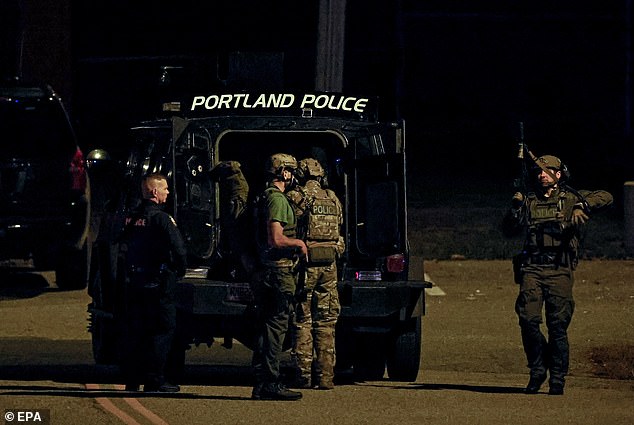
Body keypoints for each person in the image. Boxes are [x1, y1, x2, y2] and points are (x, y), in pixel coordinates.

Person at [502, 154, 613, 395]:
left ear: (558, 174)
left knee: (557, 325)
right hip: (532, 267)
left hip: (559, 269)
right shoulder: (529, 200)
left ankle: (558, 378)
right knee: (528, 319)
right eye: (539, 171)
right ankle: (538, 369)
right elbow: (508, 231)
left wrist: (583, 206)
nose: (541, 174)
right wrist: (515, 208)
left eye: (547, 170)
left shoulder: (570, 197)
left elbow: (606, 196)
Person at [119, 173, 187, 392]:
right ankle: (155, 379)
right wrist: (179, 270)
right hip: (159, 283)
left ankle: (132, 379)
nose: (168, 192)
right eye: (165, 188)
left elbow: (120, 245)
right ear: (154, 192)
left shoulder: (131, 217)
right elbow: (178, 249)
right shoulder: (162, 219)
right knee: (162, 329)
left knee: (136, 330)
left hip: (135, 281)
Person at [250, 153, 307, 401]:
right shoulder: (277, 200)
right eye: (291, 171)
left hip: (266, 271)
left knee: (267, 327)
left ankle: (262, 381)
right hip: (279, 271)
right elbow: (276, 238)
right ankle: (270, 382)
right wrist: (299, 244)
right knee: (276, 328)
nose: (293, 176)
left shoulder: (263, 196)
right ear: (283, 173)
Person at [286, 158, 344, 390]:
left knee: (302, 320)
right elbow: (339, 228)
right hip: (329, 266)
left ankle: (303, 376)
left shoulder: (296, 198)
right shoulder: (333, 199)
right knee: (326, 322)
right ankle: (326, 376)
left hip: (305, 265)